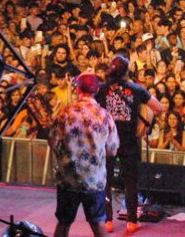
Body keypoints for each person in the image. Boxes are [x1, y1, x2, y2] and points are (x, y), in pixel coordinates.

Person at [95, 54, 163, 234]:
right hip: (129, 141)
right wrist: (145, 124)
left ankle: (108, 220)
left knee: (106, 181)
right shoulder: (136, 89)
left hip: (107, 141)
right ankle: (131, 221)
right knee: (131, 181)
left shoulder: (102, 89)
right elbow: (159, 108)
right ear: (127, 70)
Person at [49, 73, 120, 237]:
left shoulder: (65, 113)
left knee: (64, 223)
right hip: (94, 180)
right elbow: (113, 150)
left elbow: (52, 142)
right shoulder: (105, 116)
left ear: (77, 89)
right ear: (97, 90)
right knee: (98, 222)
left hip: (69, 179)